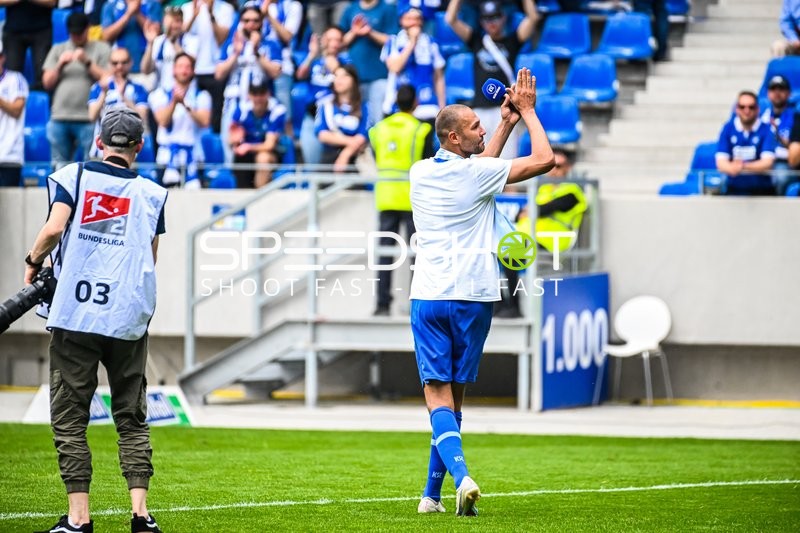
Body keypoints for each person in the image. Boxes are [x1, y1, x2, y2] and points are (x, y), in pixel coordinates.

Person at [409, 67, 553, 516]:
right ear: (454, 138)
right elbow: (546, 159)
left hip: (430, 296)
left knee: (437, 398)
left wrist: (507, 123)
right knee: (454, 399)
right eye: (475, 126)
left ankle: (456, 479)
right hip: (474, 297)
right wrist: (528, 113)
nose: (483, 128)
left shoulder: (419, 172)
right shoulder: (476, 176)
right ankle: (433, 496)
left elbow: (480, 168)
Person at [27, 107, 167, 533]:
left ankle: (79, 518)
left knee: (70, 416)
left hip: (78, 314)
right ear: (140, 147)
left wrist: (33, 261)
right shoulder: (152, 193)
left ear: (99, 142)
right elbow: (150, 256)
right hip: (127, 317)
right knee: (131, 415)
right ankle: (141, 515)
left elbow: (54, 229)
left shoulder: (75, 175)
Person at [495, 149, 587, 317]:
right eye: (551, 165)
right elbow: (520, 213)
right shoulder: (543, 190)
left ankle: (514, 306)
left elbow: (548, 208)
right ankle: (499, 303)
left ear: (567, 168)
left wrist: (532, 210)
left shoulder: (573, 191)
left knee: (511, 249)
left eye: (559, 166)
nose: (554, 170)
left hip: (553, 241)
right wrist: (530, 211)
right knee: (491, 247)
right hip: (529, 238)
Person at [369, 84, 434, 316]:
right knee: (417, 253)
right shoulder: (422, 130)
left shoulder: (379, 129)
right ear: (415, 102)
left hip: (385, 196)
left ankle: (382, 305)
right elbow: (428, 163)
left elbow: (377, 156)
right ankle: (417, 302)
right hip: (412, 199)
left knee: (385, 254)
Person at [445, 0, 538, 159]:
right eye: (487, 18)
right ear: (481, 21)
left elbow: (533, 18)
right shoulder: (476, 41)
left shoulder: (512, 41)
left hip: (504, 110)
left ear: (503, 18)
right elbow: (450, 19)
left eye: (495, 17)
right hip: (479, 110)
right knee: (480, 162)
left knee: (507, 164)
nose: (491, 23)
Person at [43, 12, 111, 170]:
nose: (77, 37)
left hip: (90, 118)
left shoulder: (101, 48)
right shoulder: (58, 49)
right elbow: (47, 82)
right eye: (73, 33)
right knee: (60, 167)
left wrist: (87, 62)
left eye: (80, 33)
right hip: (60, 116)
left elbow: (108, 79)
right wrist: (60, 65)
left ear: (88, 29)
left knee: (92, 166)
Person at [215, 3, 282, 162]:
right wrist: (236, 54)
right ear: (241, 22)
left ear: (261, 22)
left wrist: (256, 51)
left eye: (255, 20)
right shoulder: (231, 45)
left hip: (259, 107)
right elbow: (219, 74)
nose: (251, 25)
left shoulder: (270, 44)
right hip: (233, 104)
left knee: (259, 150)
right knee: (231, 150)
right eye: (246, 20)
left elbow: (276, 72)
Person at [148, 52, 212, 188]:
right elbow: (163, 121)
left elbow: (205, 121)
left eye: (188, 67)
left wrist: (185, 105)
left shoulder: (202, 96)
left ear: (193, 71)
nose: (184, 70)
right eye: (180, 66)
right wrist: (174, 103)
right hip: (166, 157)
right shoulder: (159, 94)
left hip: (194, 156)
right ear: (173, 69)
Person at [381, 7, 445, 126]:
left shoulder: (431, 42)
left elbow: (439, 77)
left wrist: (442, 106)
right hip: (398, 106)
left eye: (417, 19)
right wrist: (412, 42)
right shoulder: (393, 41)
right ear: (401, 21)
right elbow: (395, 67)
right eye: (409, 18)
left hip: (427, 107)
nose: (414, 22)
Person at [296, 26, 350, 165]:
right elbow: (300, 75)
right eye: (330, 39)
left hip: (334, 119)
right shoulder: (315, 61)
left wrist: (336, 68)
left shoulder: (346, 64)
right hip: (312, 116)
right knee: (312, 164)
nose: (333, 43)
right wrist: (312, 55)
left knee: (331, 163)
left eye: (337, 39)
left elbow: (349, 89)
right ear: (323, 40)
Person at [340, 0, 398, 127]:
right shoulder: (351, 9)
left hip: (379, 75)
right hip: (354, 78)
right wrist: (354, 32)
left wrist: (370, 32)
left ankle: (376, 147)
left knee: (377, 122)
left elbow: (394, 40)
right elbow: (339, 42)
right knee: (353, 122)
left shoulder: (387, 9)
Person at [181, 0, 235, 133]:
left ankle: (214, 149)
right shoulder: (186, 8)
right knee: (189, 114)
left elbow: (222, 38)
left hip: (215, 70)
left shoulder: (226, 9)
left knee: (215, 118)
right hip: (191, 71)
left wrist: (211, 14)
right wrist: (194, 15)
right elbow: (182, 33)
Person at [87, 47, 150, 159]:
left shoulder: (138, 88)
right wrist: (103, 93)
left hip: (129, 149)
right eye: (115, 63)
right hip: (102, 149)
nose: (119, 66)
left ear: (130, 63)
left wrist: (123, 97)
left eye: (124, 62)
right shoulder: (98, 87)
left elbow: (142, 117)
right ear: (109, 64)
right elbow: (92, 116)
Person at [715, 91, 777, 196]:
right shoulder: (728, 128)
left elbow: (767, 163)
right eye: (742, 107)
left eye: (751, 107)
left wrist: (742, 166)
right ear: (736, 109)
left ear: (758, 109)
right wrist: (732, 168)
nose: (746, 111)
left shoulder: (766, 129)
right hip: (733, 189)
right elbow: (721, 163)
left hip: (762, 190)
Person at [229, 82, 287, 188]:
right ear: (249, 95)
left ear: (268, 94)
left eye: (262, 93)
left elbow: (269, 145)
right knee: (240, 159)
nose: (258, 98)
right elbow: (231, 139)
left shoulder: (277, 110)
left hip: (271, 152)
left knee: (263, 158)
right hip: (245, 153)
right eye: (255, 94)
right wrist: (236, 139)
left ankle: (259, 197)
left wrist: (248, 147)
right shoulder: (241, 109)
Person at [315, 64, 369, 171]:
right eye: (336, 76)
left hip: (354, 159)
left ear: (354, 80)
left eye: (344, 76)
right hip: (328, 159)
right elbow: (322, 134)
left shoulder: (364, 107)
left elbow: (363, 135)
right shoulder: (326, 105)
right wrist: (350, 142)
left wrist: (345, 154)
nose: (339, 80)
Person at [141, 6, 200, 92]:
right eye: (170, 21)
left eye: (177, 21)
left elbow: (189, 63)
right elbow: (146, 70)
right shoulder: (158, 41)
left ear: (182, 22)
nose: (173, 25)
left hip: (186, 92)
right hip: (163, 92)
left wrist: (173, 42)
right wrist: (150, 44)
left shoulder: (192, 40)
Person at [0, 0, 54, 91]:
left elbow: (52, 2)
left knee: (42, 77)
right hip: (13, 30)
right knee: (12, 75)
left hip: (41, 30)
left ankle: (39, 104)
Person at [101, 0, 164, 76]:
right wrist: (128, 14)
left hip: (148, 69)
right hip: (120, 69)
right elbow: (107, 36)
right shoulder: (110, 5)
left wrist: (137, 13)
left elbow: (155, 33)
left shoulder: (152, 4)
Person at [760, 75, 797, 194]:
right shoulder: (760, 117)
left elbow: (795, 149)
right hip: (762, 160)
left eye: (781, 89)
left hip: (785, 163)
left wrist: (779, 137)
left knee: (780, 177)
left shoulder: (796, 118)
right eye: (773, 89)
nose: (777, 92)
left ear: (789, 93)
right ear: (767, 93)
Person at [0, 41, 29, 187]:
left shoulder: (15, 79)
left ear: (2, 58)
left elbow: (16, 110)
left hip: (9, 155)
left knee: (7, 207)